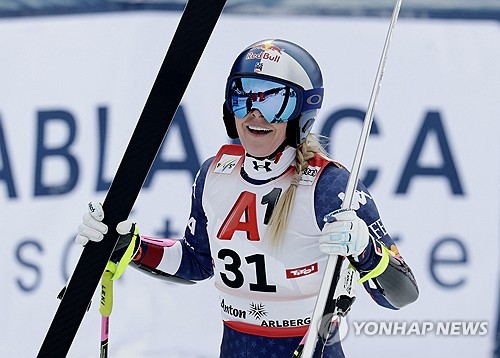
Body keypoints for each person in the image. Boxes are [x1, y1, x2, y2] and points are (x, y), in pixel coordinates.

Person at [76, 39, 419, 357]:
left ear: (301, 113)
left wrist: (366, 251)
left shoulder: (329, 186)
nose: (256, 113)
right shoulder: (214, 175)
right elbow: (197, 261)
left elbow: (403, 293)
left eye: (274, 102)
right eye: (244, 96)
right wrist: (129, 247)